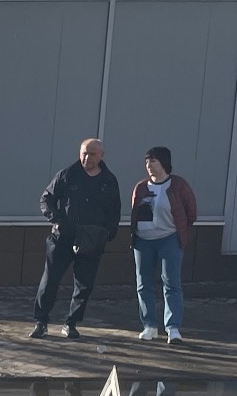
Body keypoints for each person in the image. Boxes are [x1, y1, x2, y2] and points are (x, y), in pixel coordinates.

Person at [32, 137, 121, 340]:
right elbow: (46, 199)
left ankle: (71, 323)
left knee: (84, 284)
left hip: (91, 239)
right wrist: (58, 220)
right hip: (63, 237)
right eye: (84, 153)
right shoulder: (67, 175)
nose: (87, 157)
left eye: (92, 154)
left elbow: (115, 210)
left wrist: (108, 233)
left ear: (101, 156)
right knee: (50, 280)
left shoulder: (109, 180)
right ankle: (41, 322)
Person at [128, 146, 195, 344]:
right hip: (143, 241)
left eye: (153, 161)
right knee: (143, 283)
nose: (149, 166)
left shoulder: (178, 185)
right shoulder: (141, 187)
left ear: (164, 163)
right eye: (147, 162)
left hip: (169, 239)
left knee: (171, 282)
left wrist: (179, 230)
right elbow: (135, 211)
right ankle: (149, 325)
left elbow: (191, 212)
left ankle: (173, 328)